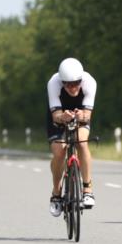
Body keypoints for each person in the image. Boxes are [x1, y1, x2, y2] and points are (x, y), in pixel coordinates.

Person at [46, 57, 97, 216]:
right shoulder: (53, 83)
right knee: (60, 151)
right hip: (59, 114)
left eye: (76, 83)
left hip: (81, 113)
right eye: (68, 84)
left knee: (82, 143)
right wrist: (62, 117)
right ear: (62, 82)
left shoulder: (90, 82)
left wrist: (81, 115)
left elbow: (87, 115)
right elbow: (55, 115)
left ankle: (87, 188)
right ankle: (56, 193)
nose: (73, 87)